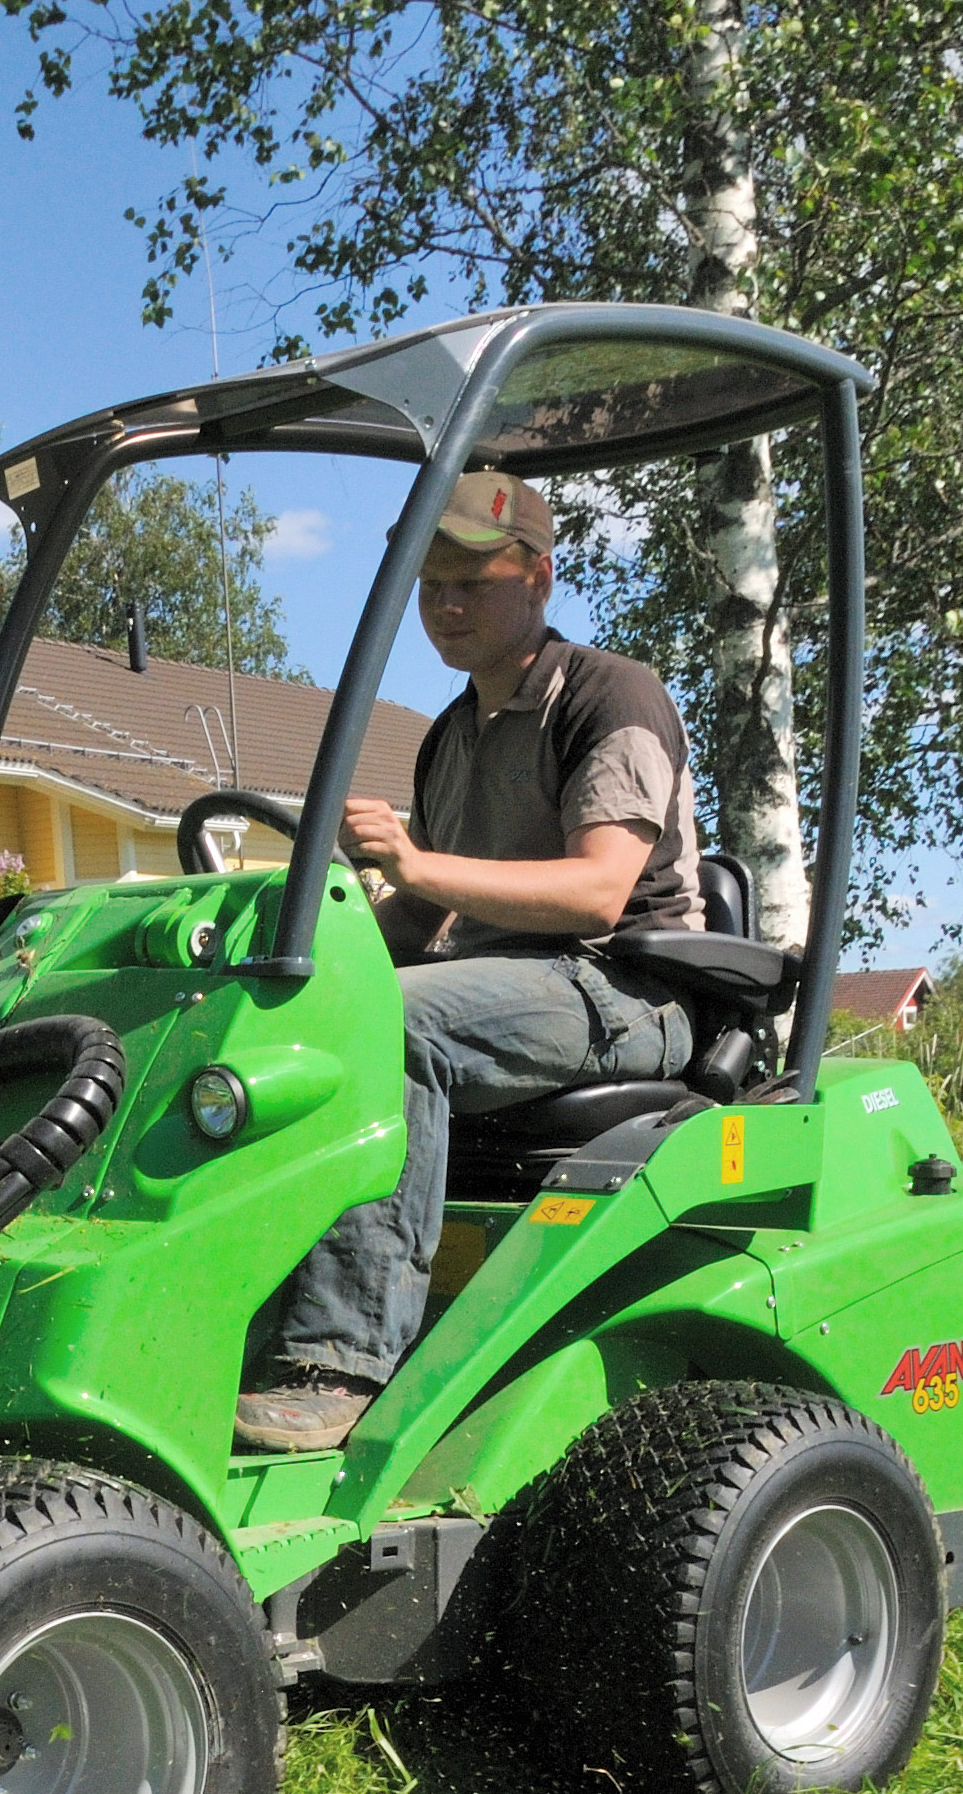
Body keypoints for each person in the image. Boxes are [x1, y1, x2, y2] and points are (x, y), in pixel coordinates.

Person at [234, 470, 708, 1453]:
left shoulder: (608, 696)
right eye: (430, 584)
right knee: (280, 1028)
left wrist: (412, 861)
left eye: (472, 582)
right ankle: (235, 1329)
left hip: (622, 988)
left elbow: (597, 890)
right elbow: (425, 914)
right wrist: (294, 955)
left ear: (537, 577)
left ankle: (338, 1361)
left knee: (388, 1026)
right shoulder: (450, 732)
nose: (445, 605)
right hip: (504, 990)